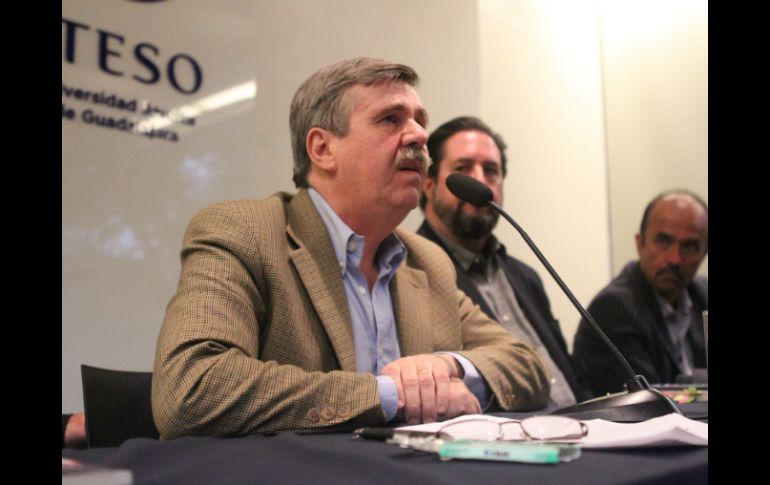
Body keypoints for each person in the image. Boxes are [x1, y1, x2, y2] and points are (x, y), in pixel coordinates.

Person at [152, 58, 549, 439]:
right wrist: (393, 395)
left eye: (420, 121)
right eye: (391, 119)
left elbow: (526, 364)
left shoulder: (427, 261)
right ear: (322, 149)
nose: (419, 136)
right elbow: (191, 387)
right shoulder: (245, 232)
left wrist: (448, 366)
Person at [417, 116, 589, 408]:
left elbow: (571, 374)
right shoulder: (414, 272)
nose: (481, 180)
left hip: (582, 424)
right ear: (428, 183)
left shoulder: (525, 276)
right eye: (463, 168)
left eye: (491, 170)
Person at [572, 190, 708, 395]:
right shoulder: (614, 309)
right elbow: (650, 400)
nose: (675, 259)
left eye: (689, 246)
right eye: (663, 241)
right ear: (640, 243)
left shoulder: (702, 293)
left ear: (704, 252)